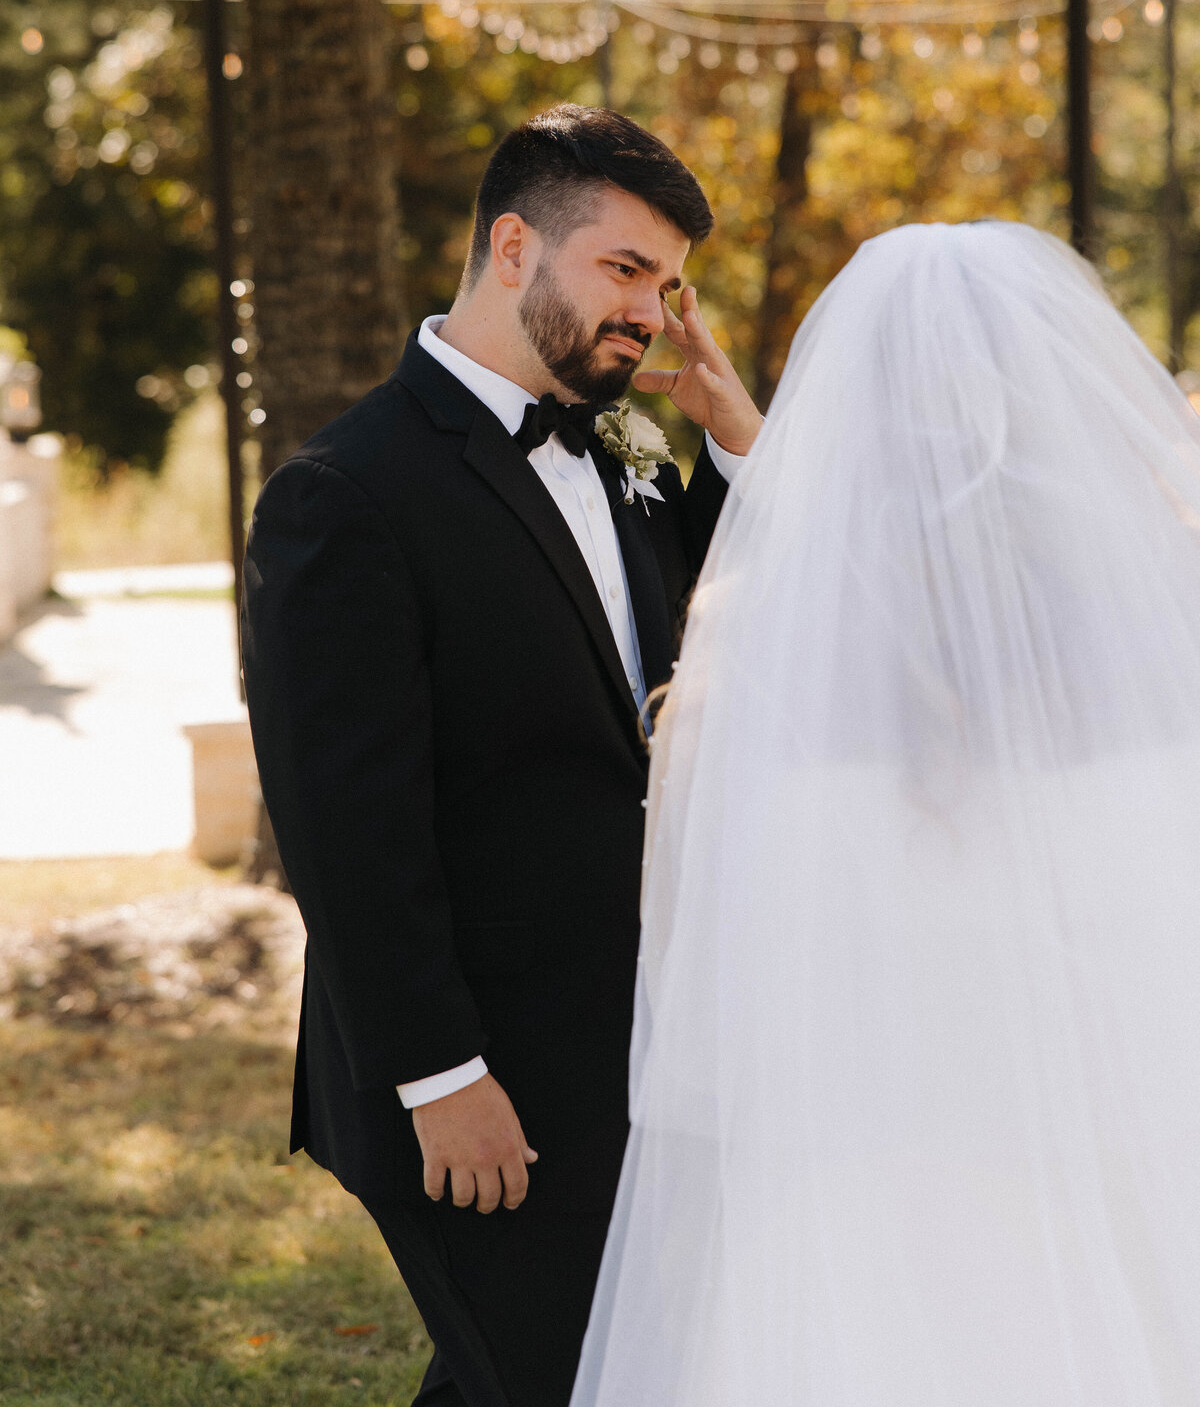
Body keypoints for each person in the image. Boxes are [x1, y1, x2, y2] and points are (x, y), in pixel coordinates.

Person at [573, 220, 1200, 1407]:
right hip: (1088, 1202)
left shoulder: (764, 662)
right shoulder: (1155, 668)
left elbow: (708, 988)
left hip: (846, 1202)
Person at [240, 104, 763, 1407]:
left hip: (630, 1041)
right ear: (516, 248)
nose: (651, 311)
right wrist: (440, 1074)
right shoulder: (346, 493)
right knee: (564, 1372)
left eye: (670, 283)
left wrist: (735, 450)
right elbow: (345, 819)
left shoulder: (628, 460)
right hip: (477, 1068)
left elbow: (702, 647)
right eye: (625, 270)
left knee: (557, 1374)